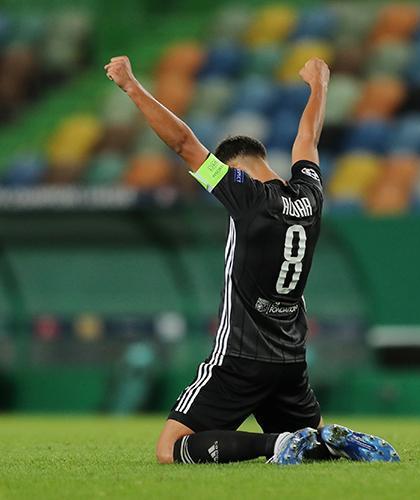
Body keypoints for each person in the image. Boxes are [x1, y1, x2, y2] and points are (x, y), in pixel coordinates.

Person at [104, 55, 399, 465]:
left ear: (234, 168)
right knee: (309, 443)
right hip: (290, 359)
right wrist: (319, 86)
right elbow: (307, 140)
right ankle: (333, 442)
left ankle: (273, 445)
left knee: (170, 449)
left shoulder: (246, 197)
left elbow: (184, 144)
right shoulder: (310, 196)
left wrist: (132, 86)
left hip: (240, 357)